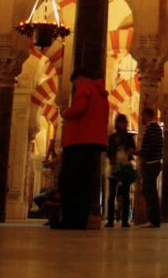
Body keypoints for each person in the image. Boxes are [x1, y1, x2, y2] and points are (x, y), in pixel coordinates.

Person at [53, 68, 109, 230]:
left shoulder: (85, 87)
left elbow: (79, 108)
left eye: (75, 83)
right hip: (93, 142)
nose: (75, 87)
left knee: (70, 181)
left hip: (79, 140)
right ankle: (80, 220)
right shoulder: (101, 94)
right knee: (85, 183)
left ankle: (70, 219)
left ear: (80, 78)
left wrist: (65, 113)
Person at [105, 114, 136, 228]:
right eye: (122, 122)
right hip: (114, 167)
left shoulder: (129, 137)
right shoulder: (112, 137)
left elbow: (133, 149)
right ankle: (110, 220)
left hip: (125, 167)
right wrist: (112, 158)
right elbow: (109, 151)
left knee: (126, 195)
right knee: (112, 194)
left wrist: (129, 152)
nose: (124, 124)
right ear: (117, 123)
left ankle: (124, 220)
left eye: (125, 122)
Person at [138, 107, 163, 228]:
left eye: (142, 115)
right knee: (148, 190)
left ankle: (154, 220)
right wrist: (138, 152)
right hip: (153, 163)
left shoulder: (152, 129)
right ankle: (153, 219)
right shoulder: (155, 129)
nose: (141, 118)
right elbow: (149, 146)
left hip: (151, 164)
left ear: (147, 115)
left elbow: (150, 146)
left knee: (150, 192)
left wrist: (143, 156)